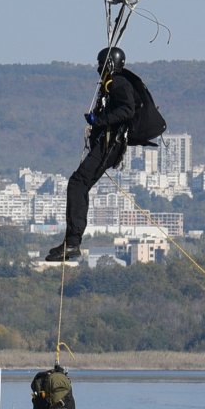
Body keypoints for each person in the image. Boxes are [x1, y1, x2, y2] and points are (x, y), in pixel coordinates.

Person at [48, 47, 162, 262]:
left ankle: (73, 242)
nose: (98, 68)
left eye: (101, 64)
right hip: (108, 144)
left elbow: (127, 109)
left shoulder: (118, 83)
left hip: (110, 145)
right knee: (79, 184)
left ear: (108, 64)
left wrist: (98, 121)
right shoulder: (114, 83)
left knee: (77, 183)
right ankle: (71, 241)